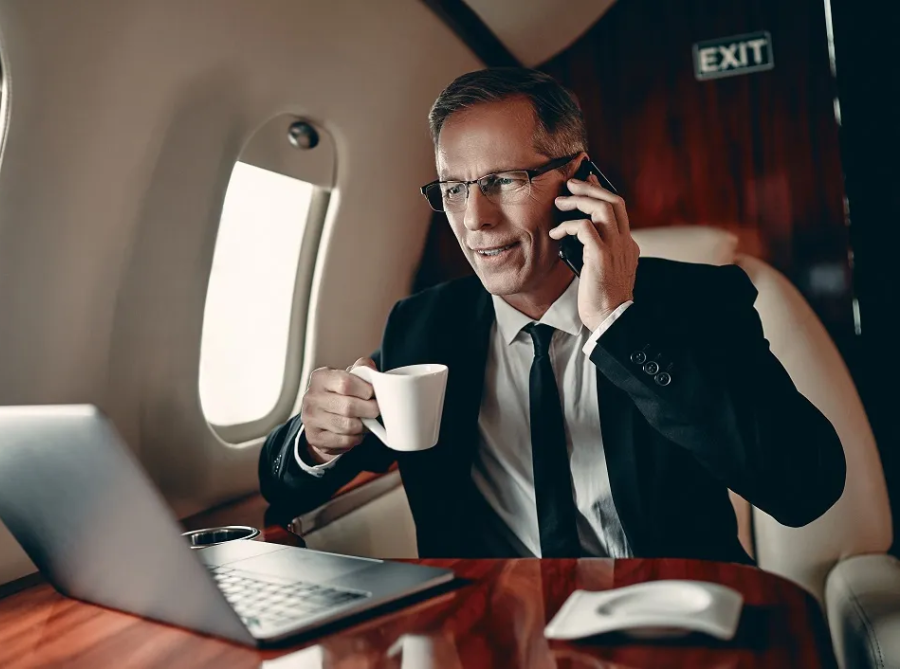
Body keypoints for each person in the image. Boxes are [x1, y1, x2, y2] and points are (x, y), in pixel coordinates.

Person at [258, 67, 846, 562]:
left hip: (671, 631)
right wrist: (316, 440)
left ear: (578, 179)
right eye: (454, 189)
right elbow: (280, 487)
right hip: (491, 634)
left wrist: (619, 324)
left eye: (502, 182)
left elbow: (805, 487)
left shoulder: (696, 301)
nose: (475, 219)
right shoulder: (425, 326)